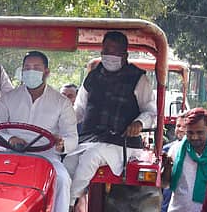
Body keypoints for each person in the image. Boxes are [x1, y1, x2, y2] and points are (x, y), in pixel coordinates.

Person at [0, 51, 78, 212]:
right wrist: (11, 139)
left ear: (46, 72)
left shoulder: (60, 102)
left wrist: (62, 143)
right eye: (27, 68)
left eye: (36, 68)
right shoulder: (8, 99)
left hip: (45, 157)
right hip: (10, 154)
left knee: (63, 179)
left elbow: (72, 137)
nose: (31, 72)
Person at [67, 31, 157, 200]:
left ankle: (70, 203)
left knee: (90, 158)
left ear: (125, 55)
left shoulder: (138, 79)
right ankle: (61, 207)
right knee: (68, 162)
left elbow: (151, 112)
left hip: (122, 143)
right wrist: (64, 125)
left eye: (115, 52)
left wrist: (138, 123)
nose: (110, 56)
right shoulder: (92, 77)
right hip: (91, 139)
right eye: (106, 50)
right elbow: (79, 110)